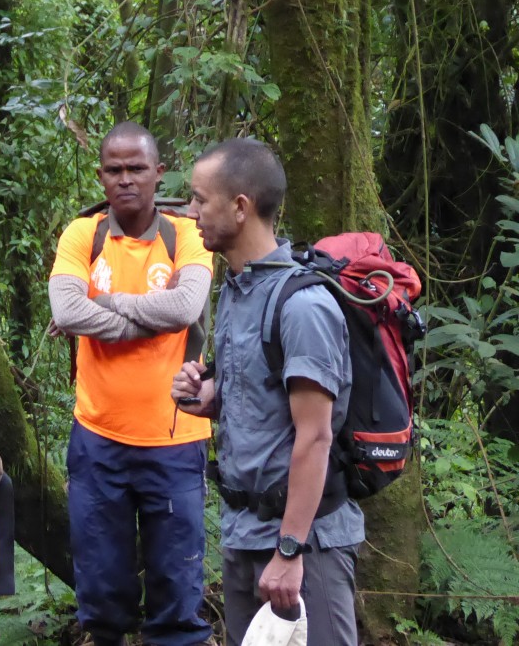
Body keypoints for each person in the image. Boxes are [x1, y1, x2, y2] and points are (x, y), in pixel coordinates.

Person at [171, 138, 362, 646]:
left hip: (304, 544)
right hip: (243, 534)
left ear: (240, 207)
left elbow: (316, 437)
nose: (190, 213)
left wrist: (291, 550)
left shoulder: (303, 307)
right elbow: (259, 403)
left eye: (199, 200)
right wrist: (206, 397)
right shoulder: (236, 290)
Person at [48, 122, 215, 646]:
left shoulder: (186, 233)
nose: (126, 179)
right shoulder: (83, 233)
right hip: (98, 437)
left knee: (177, 582)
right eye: (114, 170)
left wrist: (100, 306)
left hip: (174, 438)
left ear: (158, 172)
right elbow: (63, 309)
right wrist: (151, 318)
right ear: (101, 176)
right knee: (100, 586)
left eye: (137, 168)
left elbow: (186, 307)